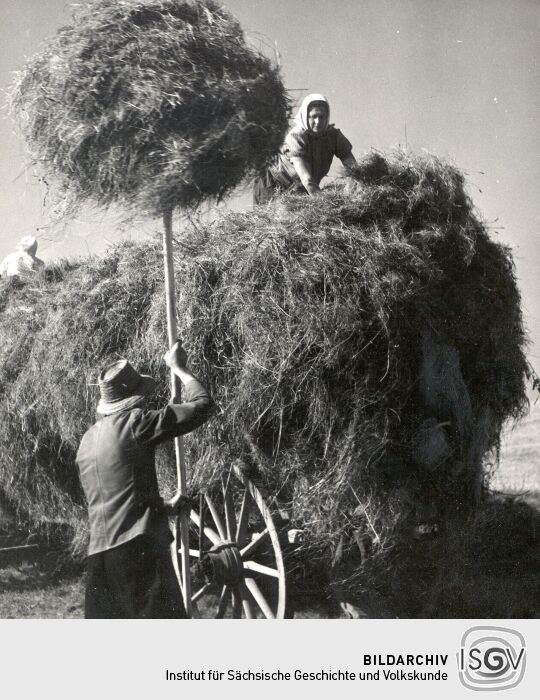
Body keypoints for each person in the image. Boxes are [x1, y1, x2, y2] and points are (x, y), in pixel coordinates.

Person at [76, 341, 214, 618]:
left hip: (100, 560)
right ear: (136, 398)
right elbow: (202, 406)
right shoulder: (137, 423)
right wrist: (180, 368)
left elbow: (114, 502)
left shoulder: (87, 441)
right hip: (138, 551)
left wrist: (164, 508)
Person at [253, 93, 357, 204]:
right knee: (275, 219)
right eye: (313, 117)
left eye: (322, 117)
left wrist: (355, 188)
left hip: (300, 188)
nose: (318, 122)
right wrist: (326, 206)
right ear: (306, 116)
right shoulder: (296, 137)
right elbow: (307, 180)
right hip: (274, 184)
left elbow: (354, 168)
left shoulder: (334, 136)